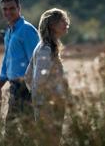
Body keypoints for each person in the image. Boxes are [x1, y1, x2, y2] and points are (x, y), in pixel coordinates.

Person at [0, 0, 39, 143]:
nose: (8, 12)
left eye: (12, 8)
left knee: (26, 129)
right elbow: (7, 61)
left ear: (19, 8)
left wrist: (34, 89)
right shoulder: (9, 32)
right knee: (12, 130)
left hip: (26, 87)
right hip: (14, 87)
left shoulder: (26, 30)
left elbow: (36, 61)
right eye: (5, 9)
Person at [24, 8, 70, 144]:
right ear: (52, 25)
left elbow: (28, 76)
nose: (66, 23)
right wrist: (44, 104)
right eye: (62, 21)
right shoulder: (46, 49)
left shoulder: (46, 46)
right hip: (49, 107)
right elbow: (38, 81)